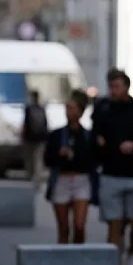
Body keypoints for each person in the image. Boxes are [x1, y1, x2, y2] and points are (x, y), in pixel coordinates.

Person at [91, 69, 133, 265]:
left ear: (126, 87)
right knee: (115, 224)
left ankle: (132, 253)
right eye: (111, 87)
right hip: (110, 174)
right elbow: (96, 140)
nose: (113, 91)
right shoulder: (103, 110)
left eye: (117, 87)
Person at [45, 89, 93, 244]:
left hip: (81, 179)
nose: (68, 112)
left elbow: (92, 159)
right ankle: (64, 257)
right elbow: (47, 159)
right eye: (67, 108)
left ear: (80, 111)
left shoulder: (87, 135)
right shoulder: (57, 135)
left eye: (72, 108)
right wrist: (59, 154)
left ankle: (79, 254)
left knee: (79, 225)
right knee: (63, 227)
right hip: (62, 179)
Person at [22, 90, 49, 186]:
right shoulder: (42, 109)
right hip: (41, 137)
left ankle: (30, 173)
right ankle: (38, 174)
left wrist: (23, 135)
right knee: (38, 156)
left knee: (30, 156)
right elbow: (46, 123)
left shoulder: (29, 109)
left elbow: (25, 123)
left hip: (30, 136)